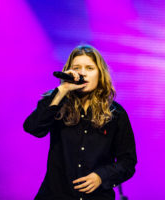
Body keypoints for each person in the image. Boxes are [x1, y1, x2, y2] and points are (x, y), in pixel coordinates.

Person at [23, 45, 137, 200]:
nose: (83, 72)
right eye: (77, 68)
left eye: (90, 68)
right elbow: (33, 128)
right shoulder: (57, 103)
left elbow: (128, 162)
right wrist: (62, 90)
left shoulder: (115, 114)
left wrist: (101, 177)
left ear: (100, 74)